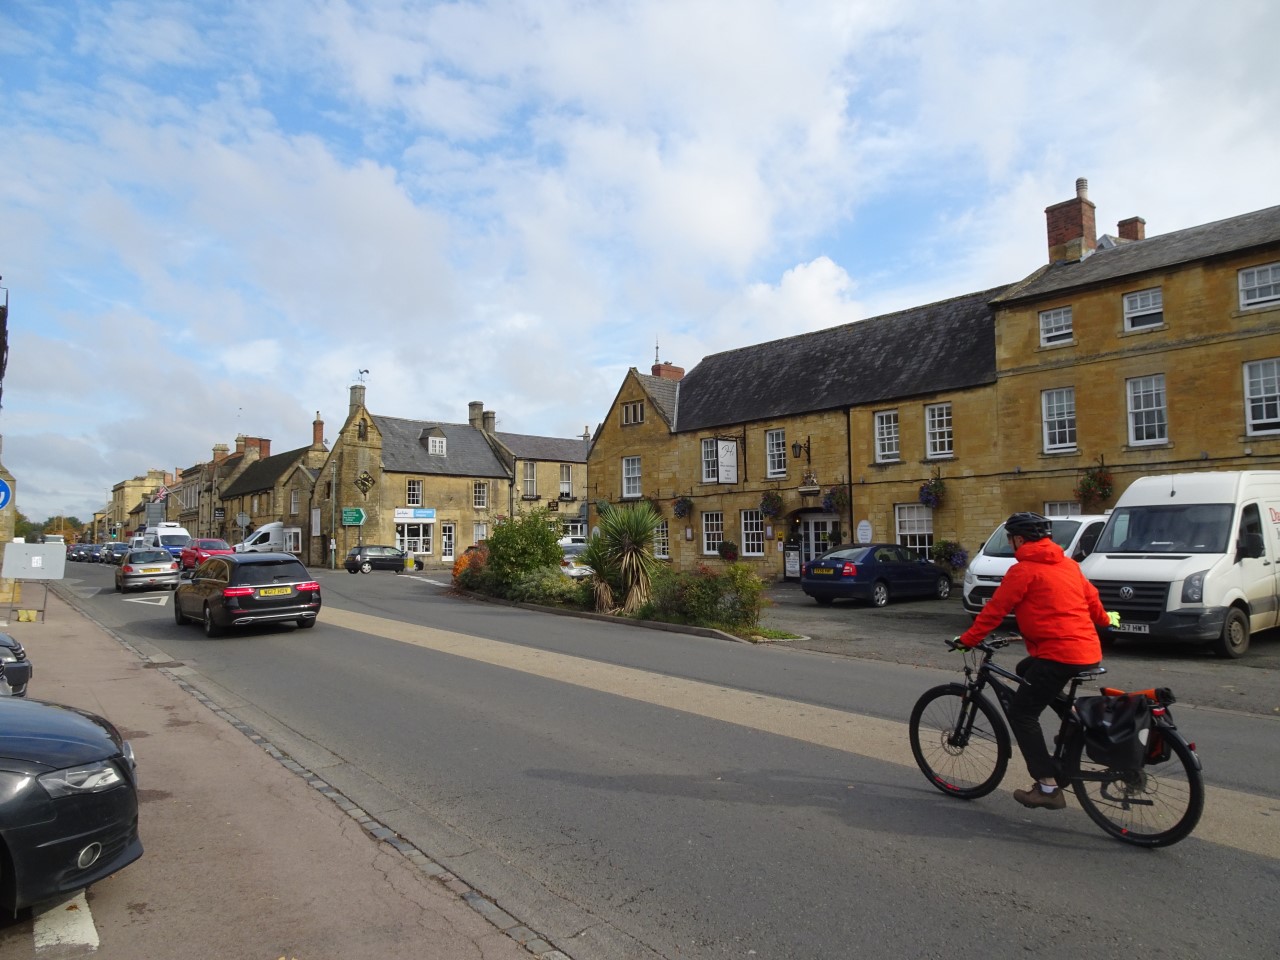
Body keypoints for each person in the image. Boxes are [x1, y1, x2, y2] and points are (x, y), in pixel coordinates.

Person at [958, 511, 1111, 810]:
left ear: (1018, 539)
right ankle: (1072, 720)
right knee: (1025, 669)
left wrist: (968, 640)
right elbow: (1095, 605)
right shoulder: (1070, 565)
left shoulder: (1024, 570)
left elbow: (995, 610)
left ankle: (1047, 787)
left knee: (1022, 714)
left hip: (1059, 655)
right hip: (1087, 651)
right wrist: (1107, 621)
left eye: (1010, 539)